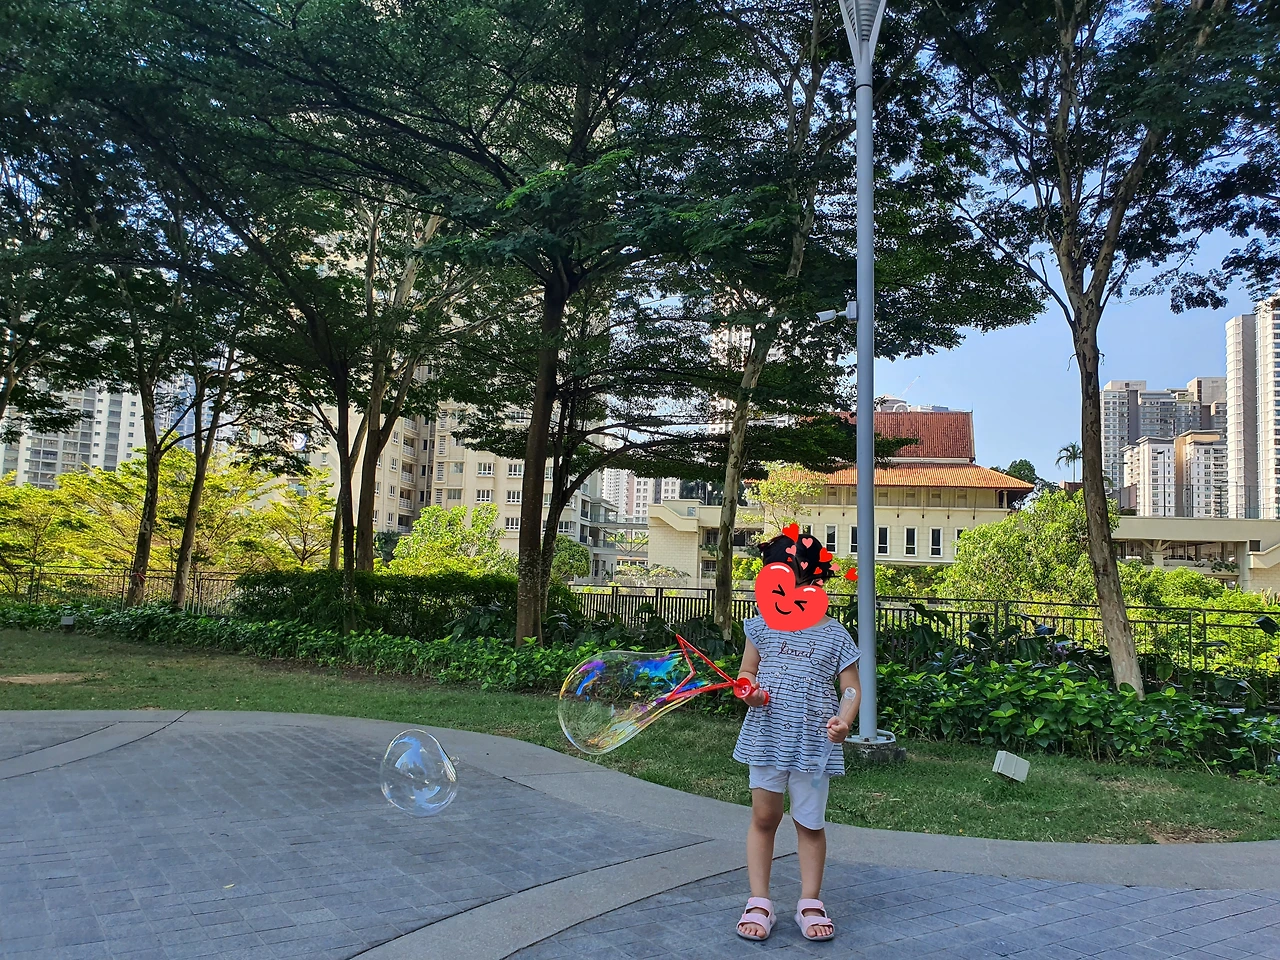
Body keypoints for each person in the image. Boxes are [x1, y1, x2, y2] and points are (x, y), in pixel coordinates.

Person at [733, 529, 861, 942]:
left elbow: (851, 688)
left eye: (799, 583)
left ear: (816, 581)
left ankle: (810, 900)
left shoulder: (835, 634)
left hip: (814, 746)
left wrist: (845, 721)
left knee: (809, 823)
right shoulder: (761, 627)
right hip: (767, 738)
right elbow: (748, 671)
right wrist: (749, 691)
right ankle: (759, 900)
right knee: (764, 817)